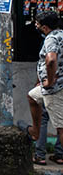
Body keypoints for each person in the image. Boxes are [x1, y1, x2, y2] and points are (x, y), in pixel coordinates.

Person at [27, 10, 63, 166]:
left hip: (54, 89)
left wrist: (49, 80)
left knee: (61, 127)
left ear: (45, 27)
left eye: (38, 23)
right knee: (32, 96)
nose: (36, 25)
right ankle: (35, 131)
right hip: (54, 85)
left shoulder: (51, 39)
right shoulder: (61, 35)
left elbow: (50, 60)